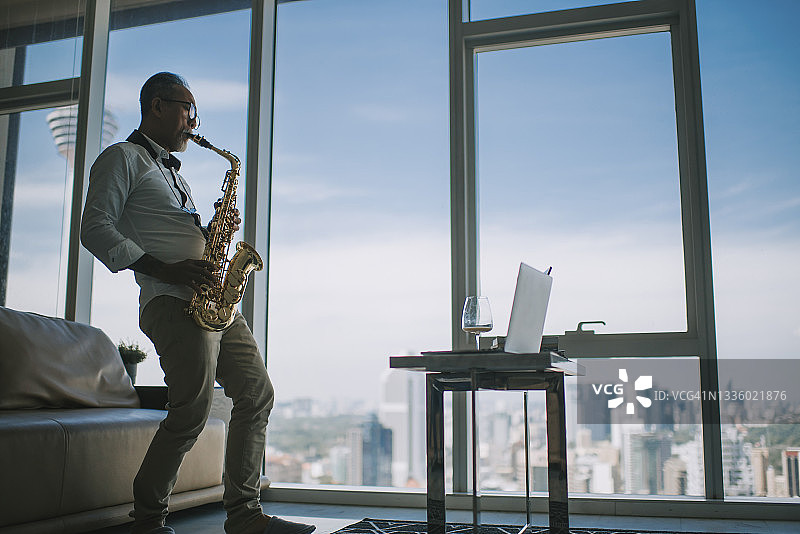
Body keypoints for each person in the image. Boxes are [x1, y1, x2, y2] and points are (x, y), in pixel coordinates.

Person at [80, 72, 315, 534]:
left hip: (213, 301)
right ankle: (148, 519)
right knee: (191, 411)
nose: (193, 120)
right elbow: (95, 227)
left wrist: (209, 234)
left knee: (256, 394)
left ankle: (245, 516)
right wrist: (162, 267)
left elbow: (170, 229)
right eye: (187, 109)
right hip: (171, 301)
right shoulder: (122, 158)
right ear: (157, 106)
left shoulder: (171, 171)